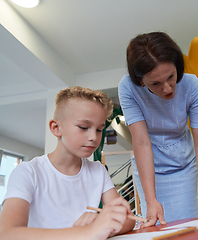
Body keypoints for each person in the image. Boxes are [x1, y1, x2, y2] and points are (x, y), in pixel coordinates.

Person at [118, 31, 198, 227]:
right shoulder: (128, 88)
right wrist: (151, 201)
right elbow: (141, 142)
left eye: (171, 77)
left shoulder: (192, 84)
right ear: (140, 81)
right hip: (148, 165)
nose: (167, 88)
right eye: (156, 83)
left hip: (184, 164)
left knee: (187, 225)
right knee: (156, 224)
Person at [0, 86, 135, 240]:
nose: (93, 137)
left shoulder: (98, 170)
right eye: (84, 127)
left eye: (99, 130)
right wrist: (87, 232)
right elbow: (7, 234)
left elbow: (129, 219)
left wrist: (100, 225)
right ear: (56, 128)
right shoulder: (28, 172)